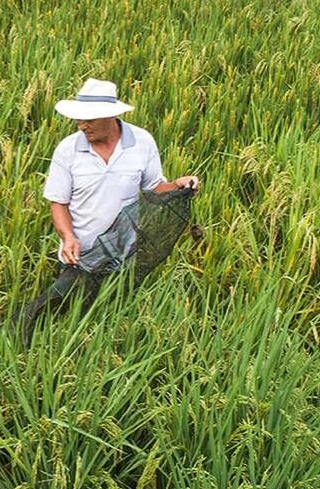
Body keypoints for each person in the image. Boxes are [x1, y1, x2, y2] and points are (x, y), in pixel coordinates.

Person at [24, 80, 198, 334]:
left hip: (123, 257)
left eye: (89, 120)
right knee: (64, 320)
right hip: (79, 256)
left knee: (107, 321)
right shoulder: (68, 149)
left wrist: (178, 185)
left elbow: (154, 189)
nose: (81, 125)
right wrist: (68, 236)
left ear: (110, 116)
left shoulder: (141, 142)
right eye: (78, 119)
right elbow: (58, 202)